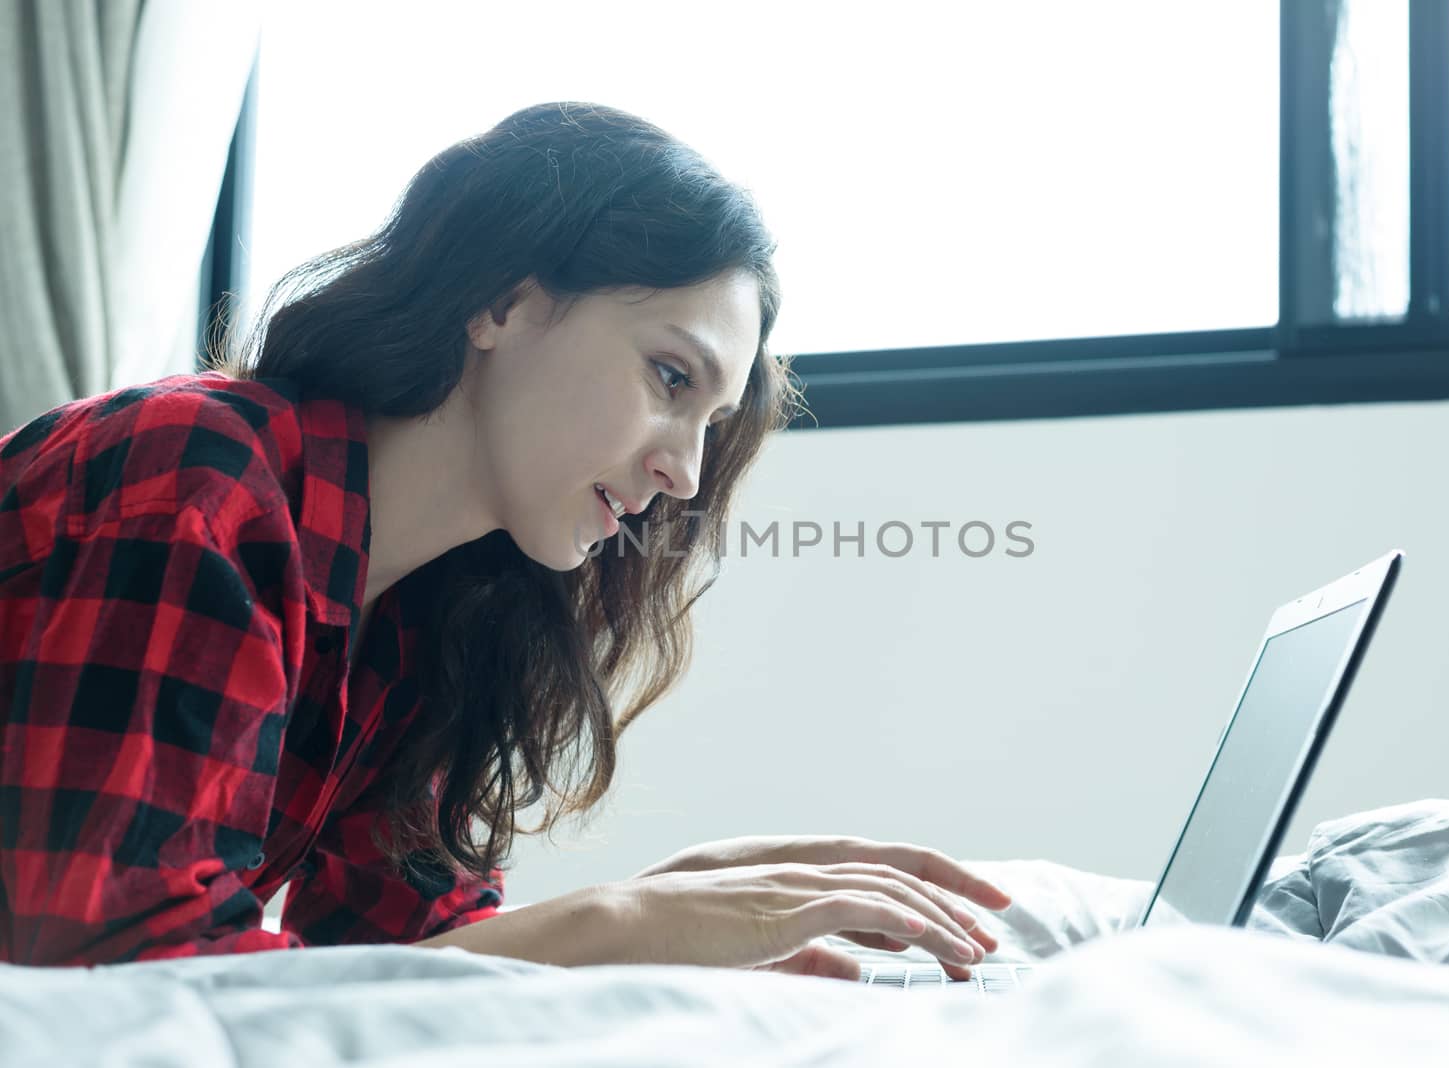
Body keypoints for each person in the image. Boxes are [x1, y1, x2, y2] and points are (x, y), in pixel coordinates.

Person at [0, 101, 1010, 977]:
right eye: (670, 378)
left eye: (709, 425)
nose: (685, 474)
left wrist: (671, 916)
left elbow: (392, 953)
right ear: (503, 303)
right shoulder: (197, 479)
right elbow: (122, 979)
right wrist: (614, 923)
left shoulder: (423, 615)